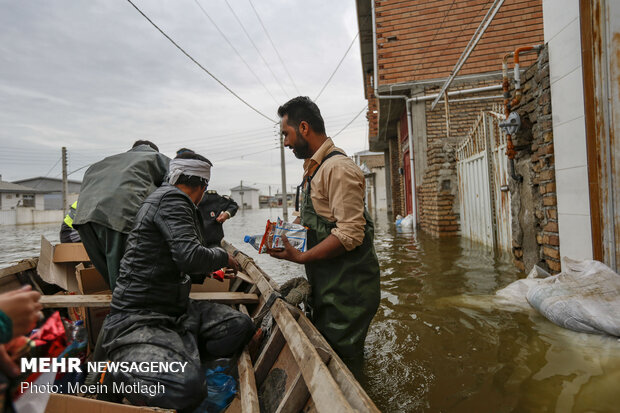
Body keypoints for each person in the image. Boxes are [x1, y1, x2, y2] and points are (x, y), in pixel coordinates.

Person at [99, 151, 255, 411]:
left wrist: (208, 270)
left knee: (239, 326)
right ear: (202, 186)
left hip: (176, 310)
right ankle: (119, 373)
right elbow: (190, 255)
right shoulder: (172, 199)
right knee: (187, 389)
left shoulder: (170, 198)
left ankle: (180, 354)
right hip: (140, 317)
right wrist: (222, 257)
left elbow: (176, 260)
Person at [268, 96, 380, 373]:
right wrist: (281, 235)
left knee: (344, 364)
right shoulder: (313, 170)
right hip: (329, 284)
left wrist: (302, 257)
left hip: (348, 291)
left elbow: (350, 234)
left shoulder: (338, 168)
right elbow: (312, 219)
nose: (285, 142)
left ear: (304, 127)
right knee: (332, 353)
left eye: (286, 134)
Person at [73, 140, 169, 290]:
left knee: (113, 277)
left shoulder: (105, 163)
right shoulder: (156, 158)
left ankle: (121, 305)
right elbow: (178, 188)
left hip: (84, 222)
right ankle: (129, 308)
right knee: (127, 281)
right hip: (119, 218)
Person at [176, 148, 239, 247]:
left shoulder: (212, 198)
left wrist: (226, 214)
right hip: (192, 248)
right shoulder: (172, 203)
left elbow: (233, 205)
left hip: (213, 245)